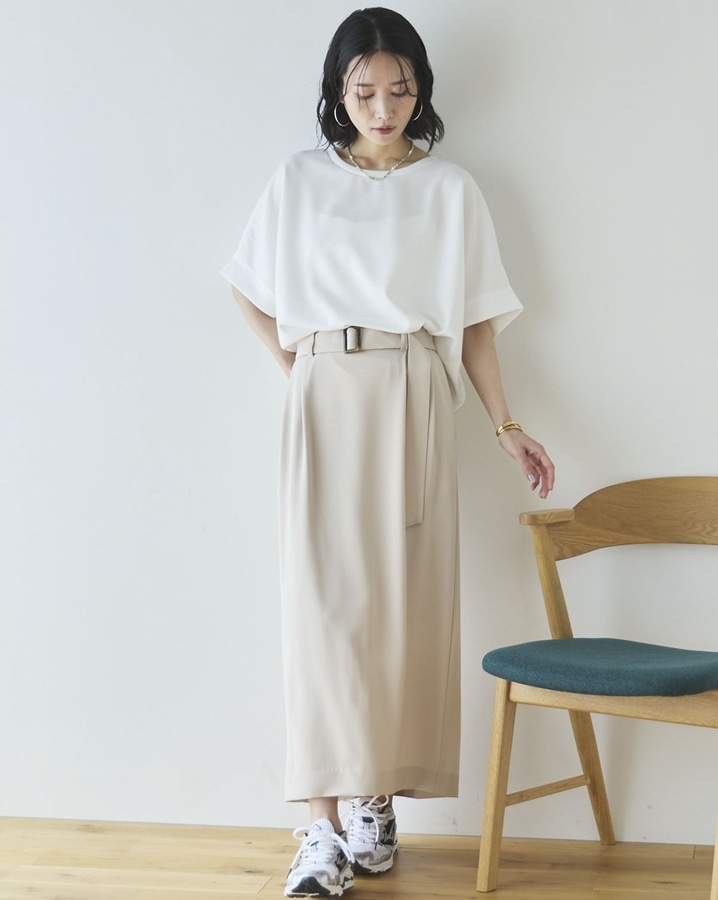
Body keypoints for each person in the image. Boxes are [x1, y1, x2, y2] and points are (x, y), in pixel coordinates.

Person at [222, 7, 554, 897]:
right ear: (338, 92)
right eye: (364, 91)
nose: (382, 107)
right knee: (323, 606)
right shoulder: (299, 179)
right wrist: (301, 370)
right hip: (326, 387)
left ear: (421, 91)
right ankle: (320, 829)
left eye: (399, 90)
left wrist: (506, 426)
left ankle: (374, 797)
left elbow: (475, 323)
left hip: (415, 390)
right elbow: (247, 287)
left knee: (404, 607)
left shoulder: (450, 189)